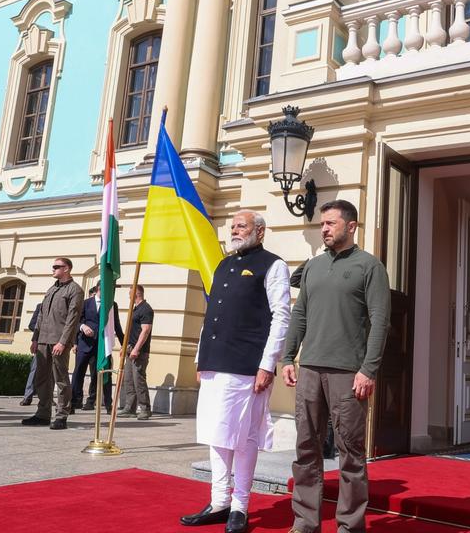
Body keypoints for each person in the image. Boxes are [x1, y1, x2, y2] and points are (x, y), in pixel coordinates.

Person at [281, 199, 390, 533]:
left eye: (330, 223)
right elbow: (299, 314)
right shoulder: (313, 267)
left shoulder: (369, 267)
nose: (324, 229)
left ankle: (349, 526)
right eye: (322, 224)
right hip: (310, 368)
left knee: (351, 453)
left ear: (351, 226)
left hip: (348, 373)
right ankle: (305, 522)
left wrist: (369, 369)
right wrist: (288, 356)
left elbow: (381, 320)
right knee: (306, 448)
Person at [181, 210, 291, 533]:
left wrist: (267, 363)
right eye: (233, 227)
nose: (235, 231)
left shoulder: (273, 265)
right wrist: (202, 357)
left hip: (247, 366)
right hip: (216, 363)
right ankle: (219, 501)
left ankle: (240, 506)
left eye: (241, 226)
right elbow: (211, 313)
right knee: (216, 435)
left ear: (260, 232)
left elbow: (281, 316)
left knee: (243, 438)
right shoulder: (223, 264)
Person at [23, 257, 83, 430]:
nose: (53, 269)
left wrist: (63, 342)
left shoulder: (75, 290)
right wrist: (35, 338)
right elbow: (41, 316)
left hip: (58, 341)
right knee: (41, 378)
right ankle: (42, 414)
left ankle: (62, 415)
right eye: (53, 266)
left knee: (61, 379)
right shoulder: (51, 289)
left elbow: (72, 319)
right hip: (43, 339)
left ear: (67, 269)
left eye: (57, 267)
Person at [71, 284, 122, 414]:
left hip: (101, 346)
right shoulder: (86, 303)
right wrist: (83, 327)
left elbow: (116, 325)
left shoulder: (112, 305)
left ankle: (108, 405)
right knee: (78, 373)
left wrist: (124, 343)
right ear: (98, 290)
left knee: (102, 374)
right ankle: (72, 402)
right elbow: (76, 321)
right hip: (85, 344)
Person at [119, 284, 154, 420]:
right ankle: (130, 407)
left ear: (136, 293)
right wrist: (124, 346)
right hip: (130, 349)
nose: (129, 296)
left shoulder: (146, 309)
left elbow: (145, 331)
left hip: (139, 352)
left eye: (130, 293)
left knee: (138, 379)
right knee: (128, 380)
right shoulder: (135, 309)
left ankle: (145, 408)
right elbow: (131, 331)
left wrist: (136, 349)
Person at [19, 305, 42, 406]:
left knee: (52, 373)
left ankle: (48, 398)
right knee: (34, 369)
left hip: (55, 343)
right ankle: (27, 396)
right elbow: (32, 325)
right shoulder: (40, 306)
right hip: (41, 342)